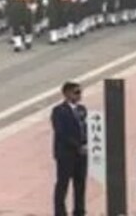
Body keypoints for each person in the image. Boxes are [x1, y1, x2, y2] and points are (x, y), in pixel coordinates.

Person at [51, 81, 88, 216]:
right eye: (76, 92)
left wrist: (86, 145)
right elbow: (62, 133)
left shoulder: (82, 109)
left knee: (80, 184)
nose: (79, 95)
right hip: (66, 154)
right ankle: (60, 212)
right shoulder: (59, 111)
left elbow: (85, 128)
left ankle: (79, 210)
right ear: (67, 94)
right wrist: (78, 146)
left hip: (81, 154)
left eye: (80, 92)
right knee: (63, 184)